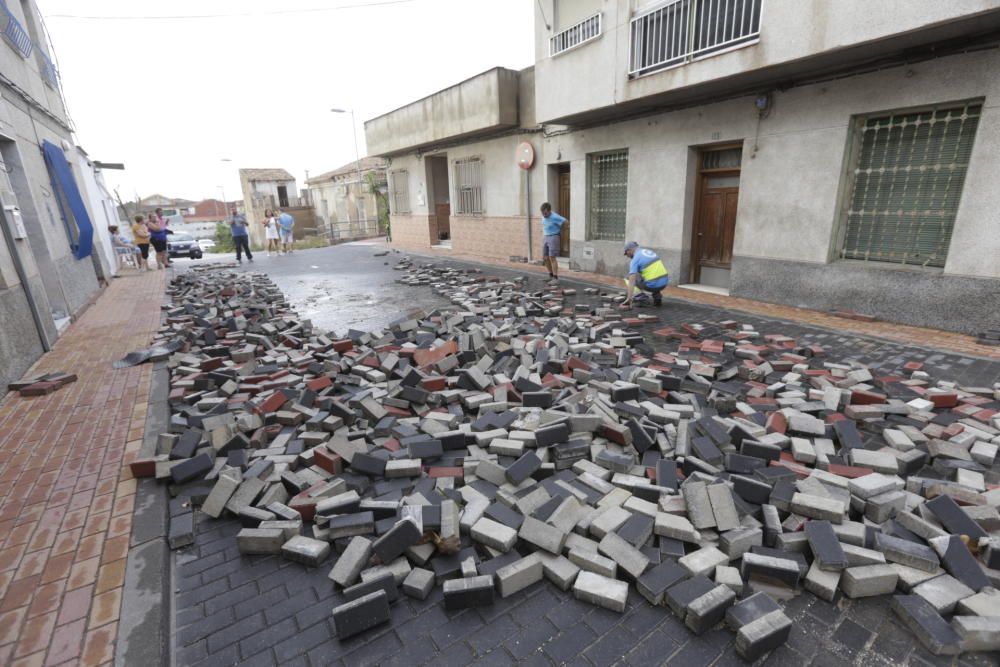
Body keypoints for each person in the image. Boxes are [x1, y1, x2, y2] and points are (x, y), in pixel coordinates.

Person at [621, 241, 669, 309]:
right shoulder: (648, 252)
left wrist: (629, 298)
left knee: (628, 278)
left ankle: (641, 298)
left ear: (630, 250)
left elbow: (632, 281)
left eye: (626, 253)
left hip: (653, 285)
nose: (627, 255)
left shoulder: (635, 259)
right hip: (664, 283)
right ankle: (657, 298)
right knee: (651, 275)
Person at [539, 202, 567, 282]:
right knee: (545, 258)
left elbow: (566, 222)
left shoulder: (555, 216)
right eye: (542, 213)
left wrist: (561, 230)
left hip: (554, 237)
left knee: (552, 257)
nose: (544, 215)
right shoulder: (543, 216)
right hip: (545, 237)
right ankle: (550, 276)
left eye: (545, 213)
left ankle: (555, 278)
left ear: (549, 210)